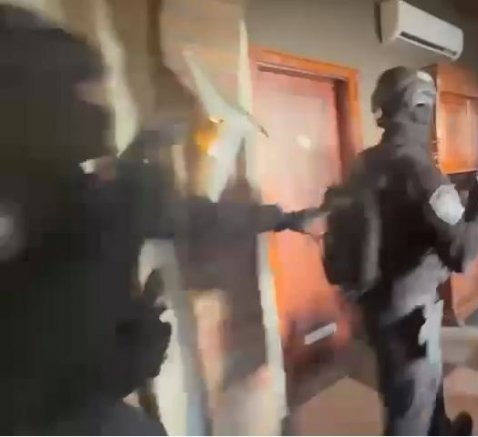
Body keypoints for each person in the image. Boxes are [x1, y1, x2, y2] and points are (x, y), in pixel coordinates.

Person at [0, 7, 311, 434]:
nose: (101, 107)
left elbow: (195, 217)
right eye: (83, 90)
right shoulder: (88, 203)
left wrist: (284, 217)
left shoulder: (85, 193)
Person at [331, 66, 478, 435]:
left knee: (420, 383)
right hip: (409, 312)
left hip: (376, 302)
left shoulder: (364, 161)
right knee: (409, 409)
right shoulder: (420, 171)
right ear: (418, 106)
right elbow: (463, 252)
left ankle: (440, 429)